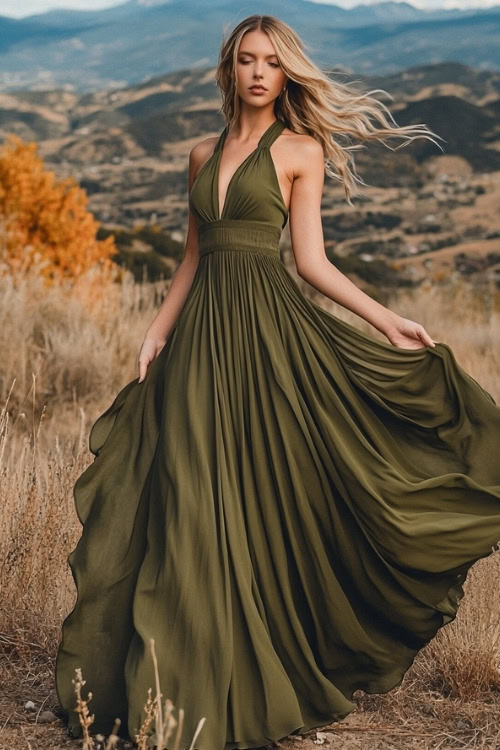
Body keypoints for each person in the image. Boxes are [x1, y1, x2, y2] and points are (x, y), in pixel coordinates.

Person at [55, 13, 500, 750]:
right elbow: (192, 257)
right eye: (245, 60)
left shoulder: (301, 150)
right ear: (229, 70)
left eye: (270, 61)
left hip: (269, 340)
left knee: (263, 495)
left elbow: (312, 263)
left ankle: (252, 676)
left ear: (287, 72)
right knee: (189, 499)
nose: (258, 72)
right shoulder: (200, 154)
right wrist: (157, 331)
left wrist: (387, 321)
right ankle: (178, 687)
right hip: (200, 344)